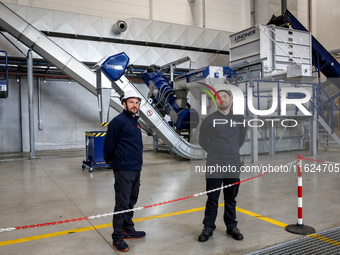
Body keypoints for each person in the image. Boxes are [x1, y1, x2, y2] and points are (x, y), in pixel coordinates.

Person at [198, 85, 247, 243]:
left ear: (230, 99)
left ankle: (231, 226)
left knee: (231, 198)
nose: (222, 99)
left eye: (225, 96)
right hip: (214, 163)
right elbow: (202, 141)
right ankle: (208, 227)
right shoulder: (209, 120)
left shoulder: (239, 119)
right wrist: (216, 152)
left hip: (232, 162)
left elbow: (241, 139)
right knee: (212, 198)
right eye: (219, 97)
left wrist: (230, 151)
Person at [103, 90, 145, 252]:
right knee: (122, 203)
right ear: (124, 104)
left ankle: (128, 228)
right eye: (131, 102)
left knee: (131, 200)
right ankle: (117, 236)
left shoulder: (135, 121)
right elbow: (109, 144)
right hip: (123, 169)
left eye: (137, 102)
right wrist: (110, 160)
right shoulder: (118, 121)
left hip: (136, 168)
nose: (135, 105)